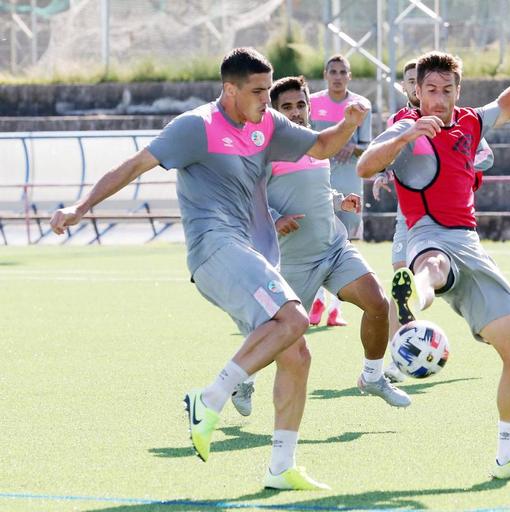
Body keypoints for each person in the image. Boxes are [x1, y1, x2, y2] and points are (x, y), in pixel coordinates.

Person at [49, 47, 369, 491]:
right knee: (295, 318)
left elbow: (320, 145)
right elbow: (135, 165)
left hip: (253, 253)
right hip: (214, 249)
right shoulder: (195, 127)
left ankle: (281, 467)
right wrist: (81, 206)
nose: (266, 99)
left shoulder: (268, 124)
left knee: (296, 351)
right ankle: (211, 397)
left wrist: (351, 122)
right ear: (229, 89)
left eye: (267, 89)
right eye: (257, 92)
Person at [357, 44, 510, 481]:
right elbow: (365, 167)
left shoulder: (469, 122)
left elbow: (507, 105)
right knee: (432, 269)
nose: (440, 99)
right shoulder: (406, 125)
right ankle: (411, 302)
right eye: (431, 90)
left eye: (448, 89)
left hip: (471, 243)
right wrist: (407, 136)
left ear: (457, 90)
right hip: (427, 234)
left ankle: (509, 457)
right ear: (418, 93)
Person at [229, 75, 410, 416]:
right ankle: (244, 379)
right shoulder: (264, 150)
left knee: (378, 302)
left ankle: (372, 377)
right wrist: (275, 216)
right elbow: (246, 199)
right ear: (274, 111)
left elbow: (317, 191)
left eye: (301, 105)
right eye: (287, 107)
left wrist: (341, 201)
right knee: (278, 338)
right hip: (292, 262)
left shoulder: (317, 146)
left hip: (333, 249)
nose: (296, 112)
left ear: (310, 107)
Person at [372, 59, 495, 383]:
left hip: (453, 219)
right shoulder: (401, 120)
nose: (427, 92)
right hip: (410, 217)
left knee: (433, 276)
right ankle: (400, 356)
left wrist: (468, 170)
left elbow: (480, 153)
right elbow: (388, 154)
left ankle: (484, 323)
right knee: (405, 276)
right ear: (412, 88)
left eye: (443, 88)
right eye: (417, 84)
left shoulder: (461, 119)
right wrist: (386, 171)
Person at [307, 55, 373, 327]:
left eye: (342, 71)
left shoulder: (360, 106)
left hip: (349, 181)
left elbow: (368, 146)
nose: (337, 76)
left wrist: (351, 146)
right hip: (319, 181)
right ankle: (317, 300)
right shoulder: (313, 103)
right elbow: (306, 139)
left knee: (346, 244)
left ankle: (336, 308)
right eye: (332, 71)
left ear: (350, 75)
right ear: (325, 75)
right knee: (319, 240)